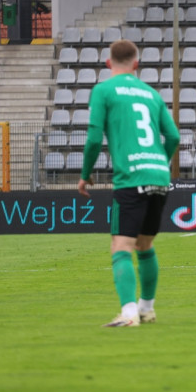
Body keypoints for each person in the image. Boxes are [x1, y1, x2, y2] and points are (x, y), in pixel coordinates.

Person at [78, 39, 180, 327]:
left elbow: (94, 139)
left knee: (121, 246)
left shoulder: (103, 90)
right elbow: (173, 137)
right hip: (158, 175)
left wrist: (85, 174)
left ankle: (129, 312)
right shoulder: (151, 94)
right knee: (144, 245)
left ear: (108, 63)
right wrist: (158, 163)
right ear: (136, 64)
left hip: (131, 177)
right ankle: (147, 308)